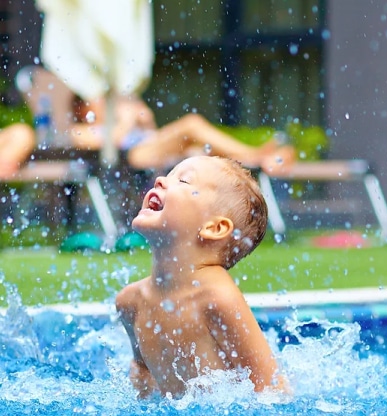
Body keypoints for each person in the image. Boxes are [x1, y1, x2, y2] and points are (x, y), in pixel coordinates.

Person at [116, 155, 290, 399]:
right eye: (168, 173)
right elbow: (143, 374)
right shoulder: (130, 302)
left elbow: (272, 388)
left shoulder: (217, 298)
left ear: (214, 227)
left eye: (184, 181)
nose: (160, 181)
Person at [70, 96, 296, 177]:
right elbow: (112, 145)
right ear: (82, 108)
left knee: (203, 150)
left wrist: (143, 117)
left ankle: (259, 160)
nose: (104, 103)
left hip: (151, 148)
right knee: (191, 124)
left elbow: (151, 131)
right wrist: (126, 120)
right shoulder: (79, 130)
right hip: (132, 157)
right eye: (97, 100)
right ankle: (254, 155)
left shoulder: (116, 117)